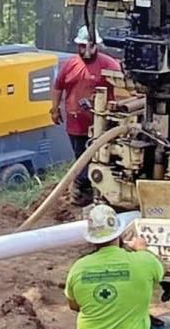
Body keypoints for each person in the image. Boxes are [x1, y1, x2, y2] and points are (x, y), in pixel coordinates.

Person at [64, 204, 170, 329]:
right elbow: (163, 269)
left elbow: (74, 306)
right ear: (119, 234)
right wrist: (141, 249)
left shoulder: (78, 268)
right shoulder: (142, 261)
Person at [50, 26, 120, 206]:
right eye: (82, 46)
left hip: (102, 125)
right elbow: (58, 87)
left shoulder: (109, 64)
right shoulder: (70, 65)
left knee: (103, 158)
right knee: (80, 157)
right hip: (76, 124)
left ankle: (102, 194)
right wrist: (54, 108)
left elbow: (122, 87)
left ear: (97, 46)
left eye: (90, 46)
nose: (86, 51)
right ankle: (82, 193)